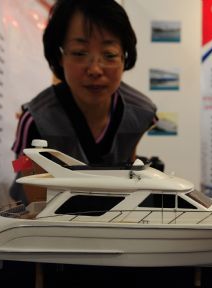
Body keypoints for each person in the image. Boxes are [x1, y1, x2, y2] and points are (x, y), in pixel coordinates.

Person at [10, 0, 157, 204]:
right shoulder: (36, 118)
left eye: (109, 54)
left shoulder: (142, 112)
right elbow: (19, 167)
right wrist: (24, 170)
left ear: (124, 57)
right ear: (60, 56)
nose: (95, 69)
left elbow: (129, 156)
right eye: (80, 53)